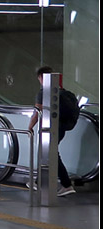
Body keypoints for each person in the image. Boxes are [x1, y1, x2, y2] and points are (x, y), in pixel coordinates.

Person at [28, 66, 79, 197]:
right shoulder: (63, 92)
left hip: (51, 126)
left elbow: (37, 112)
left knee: (51, 154)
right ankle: (38, 182)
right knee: (47, 152)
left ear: (40, 77)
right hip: (62, 126)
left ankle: (66, 184)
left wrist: (29, 127)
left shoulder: (43, 92)